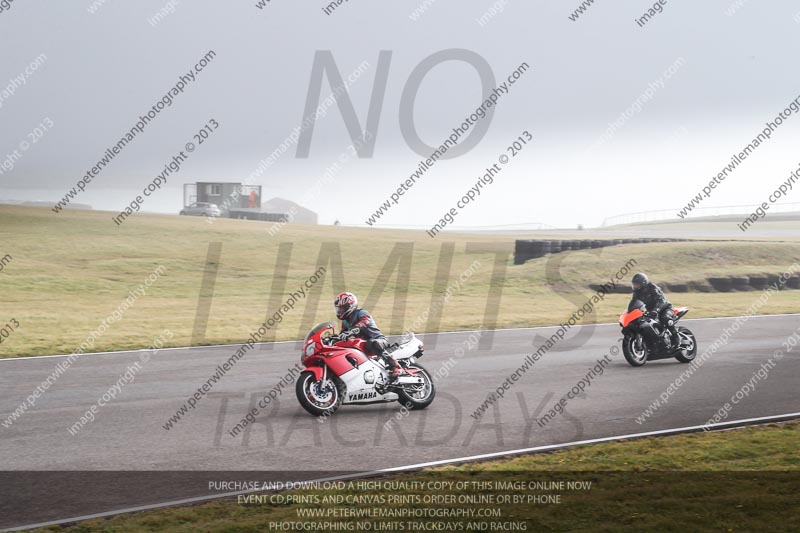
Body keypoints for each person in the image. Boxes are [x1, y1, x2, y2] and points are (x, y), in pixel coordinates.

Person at [334, 292, 399, 382]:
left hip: (379, 340)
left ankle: (395, 366)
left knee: (372, 343)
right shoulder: (345, 321)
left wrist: (353, 329)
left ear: (350, 306)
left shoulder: (362, 313)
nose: (340, 311)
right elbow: (342, 335)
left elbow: (364, 322)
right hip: (364, 345)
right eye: (339, 309)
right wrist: (333, 339)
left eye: (343, 308)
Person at [631, 272, 679, 349]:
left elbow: (661, 300)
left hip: (664, 308)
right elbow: (635, 304)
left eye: (637, 284)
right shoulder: (636, 293)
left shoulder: (652, 287)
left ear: (643, 283)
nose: (635, 286)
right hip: (651, 311)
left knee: (665, 318)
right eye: (634, 284)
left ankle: (676, 338)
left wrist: (656, 310)